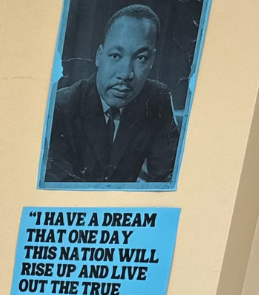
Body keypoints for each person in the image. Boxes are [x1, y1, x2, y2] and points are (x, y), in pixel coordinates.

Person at [44, 4, 179, 184]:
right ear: (99, 56)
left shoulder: (156, 99)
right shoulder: (62, 106)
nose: (125, 73)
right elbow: (57, 187)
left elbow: (169, 177)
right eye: (115, 56)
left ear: (151, 61)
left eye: (140, 58)